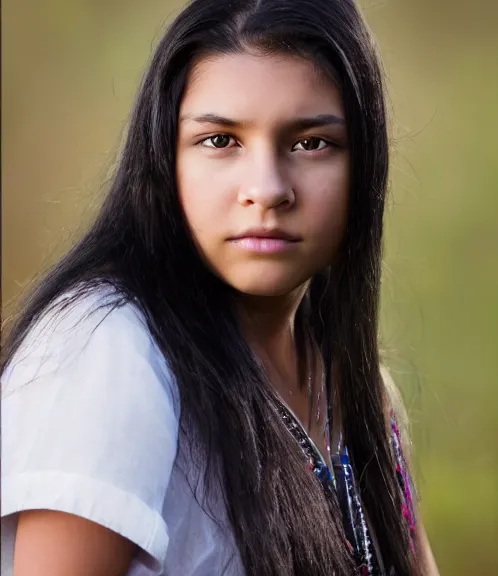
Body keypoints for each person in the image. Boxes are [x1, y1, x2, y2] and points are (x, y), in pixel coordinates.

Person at [1, 0, 440, 574]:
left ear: (366, 166)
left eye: (311, 143)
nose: (267, 189)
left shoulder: (355, 387)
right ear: (165, 157)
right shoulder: (108, 350)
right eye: (220, 141)